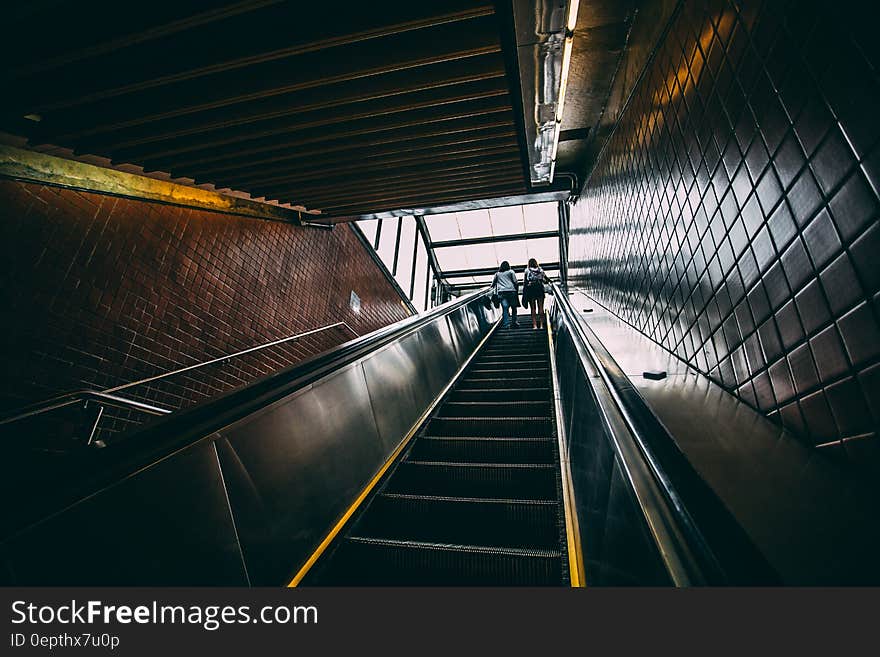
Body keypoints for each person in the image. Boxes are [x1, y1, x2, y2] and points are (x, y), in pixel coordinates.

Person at [522, 258, 549, 330]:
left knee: (533, 308)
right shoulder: (540, 270)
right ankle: (541, 325)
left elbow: (525, 282)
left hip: (531, 290)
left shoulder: (527, 270)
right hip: (540, 289)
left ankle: (534, 325)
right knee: (541, 307)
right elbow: (546, 279)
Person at [491, 261, 519, 328]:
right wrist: (516, 290)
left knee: (505, 308)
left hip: (502, 293)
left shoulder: (497, 274)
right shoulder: (511, 272)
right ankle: (514, 322)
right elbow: (515, 281)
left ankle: (506, 324)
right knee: (514, 307)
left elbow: (493, 284)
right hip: (511, 291)